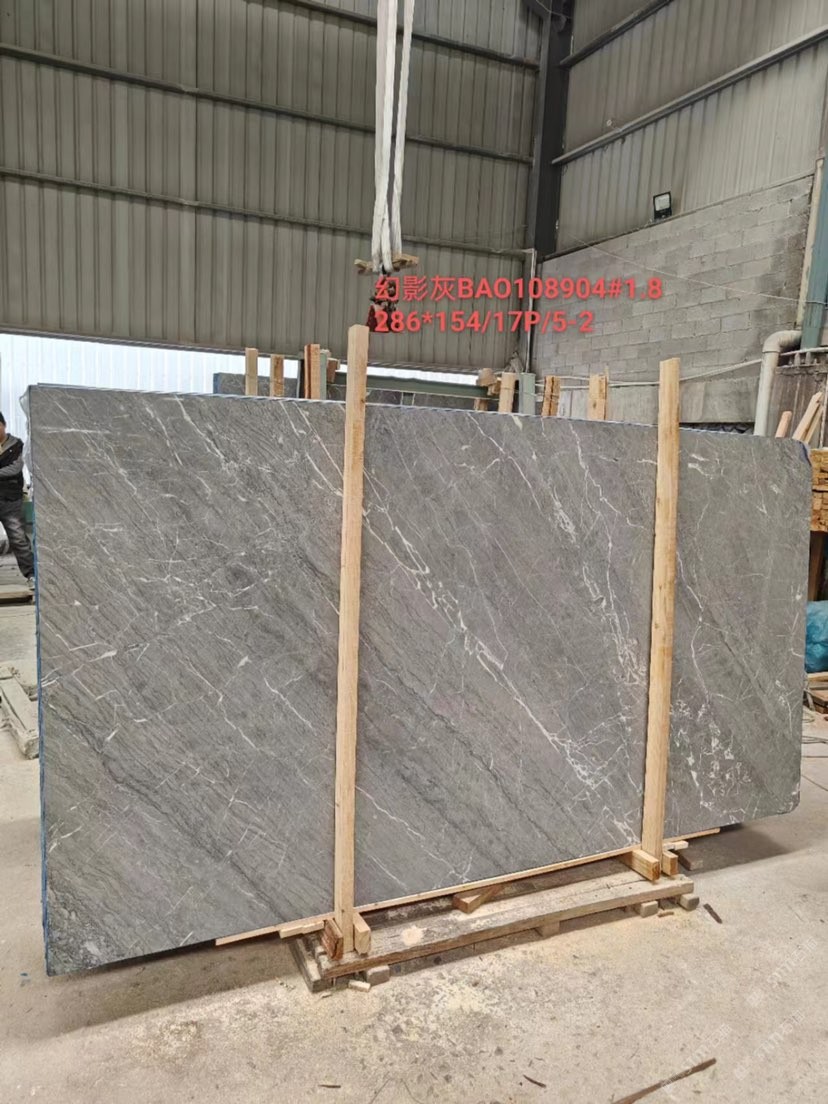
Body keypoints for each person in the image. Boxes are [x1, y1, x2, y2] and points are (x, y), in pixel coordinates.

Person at [0, 412, 35, 591]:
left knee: (18, 538)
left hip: (11, 499)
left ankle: (31, 575)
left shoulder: (17, 445)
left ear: (4, 424)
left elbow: (15, 468)